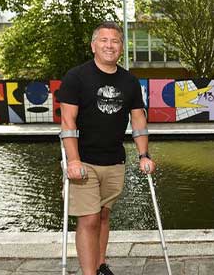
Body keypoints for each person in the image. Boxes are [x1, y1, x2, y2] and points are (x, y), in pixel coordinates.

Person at [57, 21, 155, 275]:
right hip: (84, 162)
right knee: (88, 219)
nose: (109, 45)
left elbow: (138, 120)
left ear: (121, 47)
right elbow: (67, 121)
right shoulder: (76, 77)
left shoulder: (130, 81)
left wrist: (144, 154)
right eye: (104, 40)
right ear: (93, 45)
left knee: (102, 216)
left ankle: (100, 265)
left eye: (115, 41)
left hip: (114, 161)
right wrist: (74, 160)